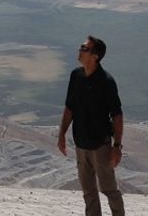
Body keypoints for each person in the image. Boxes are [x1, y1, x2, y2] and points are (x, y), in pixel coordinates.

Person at [57, 35, 124, 216]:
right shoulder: (76, 76)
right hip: (81, 143)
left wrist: (116, 146)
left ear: (95, 56)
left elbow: (117, 115)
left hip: (100, 145)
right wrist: (61, 133)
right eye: (81, 47)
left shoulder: (106, 82)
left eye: (84, 49)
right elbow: (69, 107)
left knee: (109, 189)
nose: (80, 51)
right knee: (88, 191)